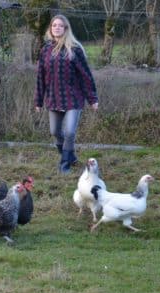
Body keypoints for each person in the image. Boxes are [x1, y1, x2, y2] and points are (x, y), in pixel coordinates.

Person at [35, 14, 99, 174]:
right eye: (54, 25)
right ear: (51, 28)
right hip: (53, 97)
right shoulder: (45, 50)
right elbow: (40, 77)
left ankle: (64, 164)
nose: (57, 27)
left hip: (73, 97)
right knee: (55, 132)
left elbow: (86, 75)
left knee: (70, 132)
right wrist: (38, 100)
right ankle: (70, 156)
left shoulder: (75, 49)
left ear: (65, 29)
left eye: (60, 25)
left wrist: (92, 98)